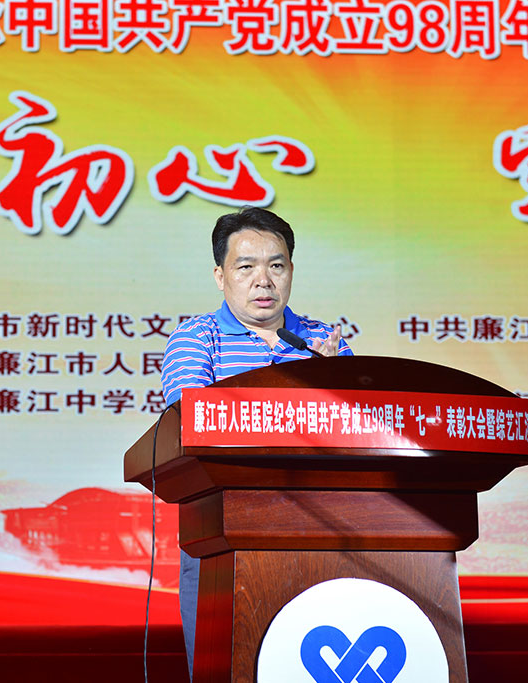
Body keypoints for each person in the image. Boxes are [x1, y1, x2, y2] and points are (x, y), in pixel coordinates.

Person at [159, 206, 352, 677]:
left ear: (291, 271)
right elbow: (196, 418)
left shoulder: (323, 342)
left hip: (319, 528)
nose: (263, 280)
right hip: (222, 528)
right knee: (225, 668)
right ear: (220, 276)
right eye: (246, 267)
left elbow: (357, 430)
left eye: (276, 265)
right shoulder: (197, 338)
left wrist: (332, 380)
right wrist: (305, 395)